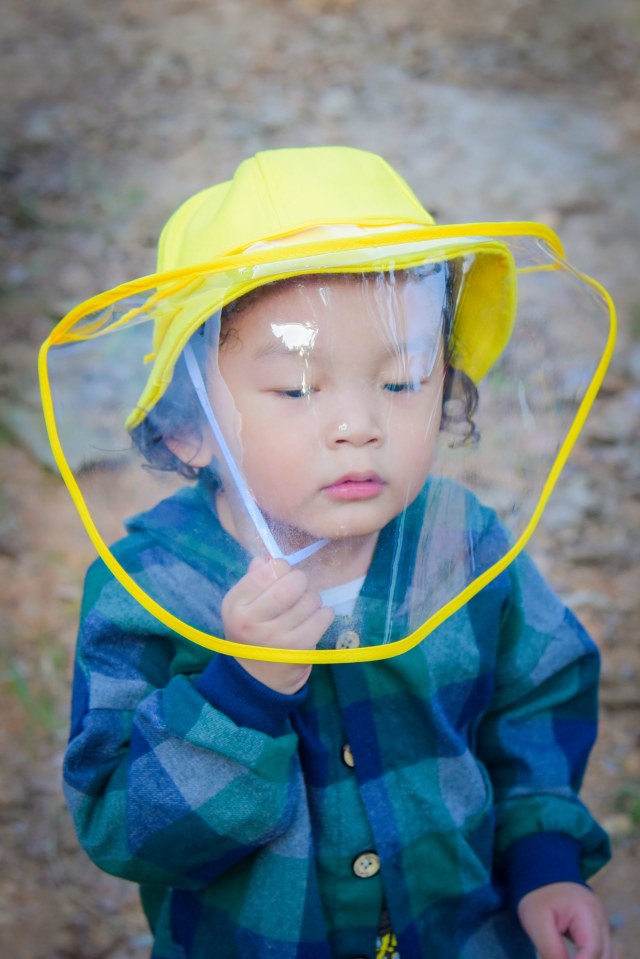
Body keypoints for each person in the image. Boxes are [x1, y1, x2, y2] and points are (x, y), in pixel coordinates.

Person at [58, 147, 615, 959]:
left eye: (404, 379)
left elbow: (534, 705)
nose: (359, 424)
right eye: (295, 389)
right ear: (188, 425)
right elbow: (122, 829)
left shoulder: (465, 543)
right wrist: (239, 694)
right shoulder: (146, 590)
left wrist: (545, 862)